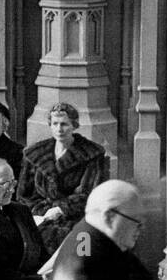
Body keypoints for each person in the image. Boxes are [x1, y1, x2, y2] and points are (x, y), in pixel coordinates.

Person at [18, 101, 110, 252]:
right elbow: (24, 194)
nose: (59, 129)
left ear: (74, 125)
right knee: (27, 243)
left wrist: (61, 209)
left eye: (64, 124)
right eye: (55, 124)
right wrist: (40, 212)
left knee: (82, 248)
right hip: (41, 215)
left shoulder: (91, 154)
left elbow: (90, 194)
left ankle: (76, 272)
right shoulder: (34, 154)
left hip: (78, 217)